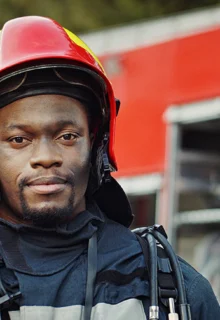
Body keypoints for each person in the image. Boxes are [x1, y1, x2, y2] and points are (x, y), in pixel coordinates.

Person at [0, 16, 219, 320]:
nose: (46, 157)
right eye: (19, 139)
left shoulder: (175, 291)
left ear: (95, 144)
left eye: (67, 136)